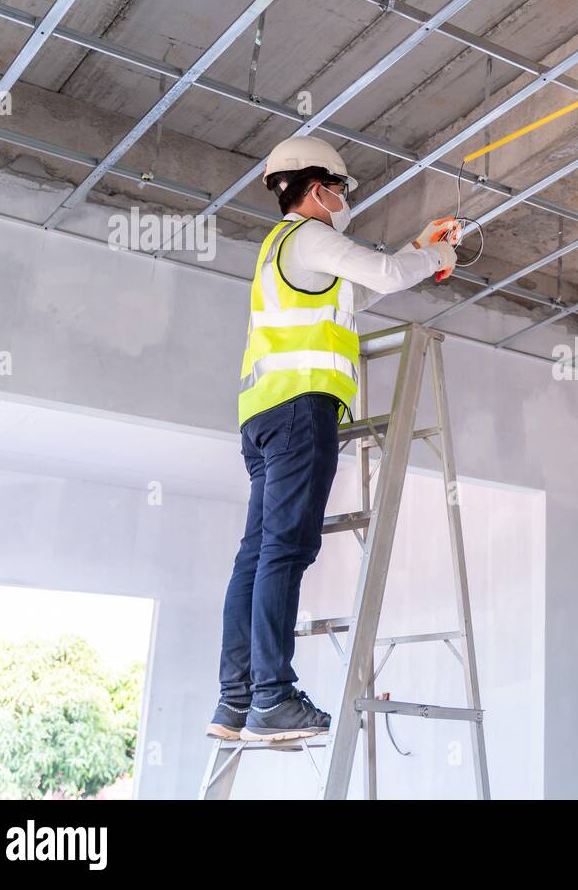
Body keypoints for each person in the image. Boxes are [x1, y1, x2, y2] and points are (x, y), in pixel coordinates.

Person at [206, 135, 459, 742]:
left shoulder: (280, 250)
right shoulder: (313, 236)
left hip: (263, 416)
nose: (345, 201)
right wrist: (432, 253)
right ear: (317, 189)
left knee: (258, 554)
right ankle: (272, 697)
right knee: (285, 553)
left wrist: (419, 251)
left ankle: (236, 701)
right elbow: (391, 275)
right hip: (300, 413)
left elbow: (363, 290)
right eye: (340, 190)